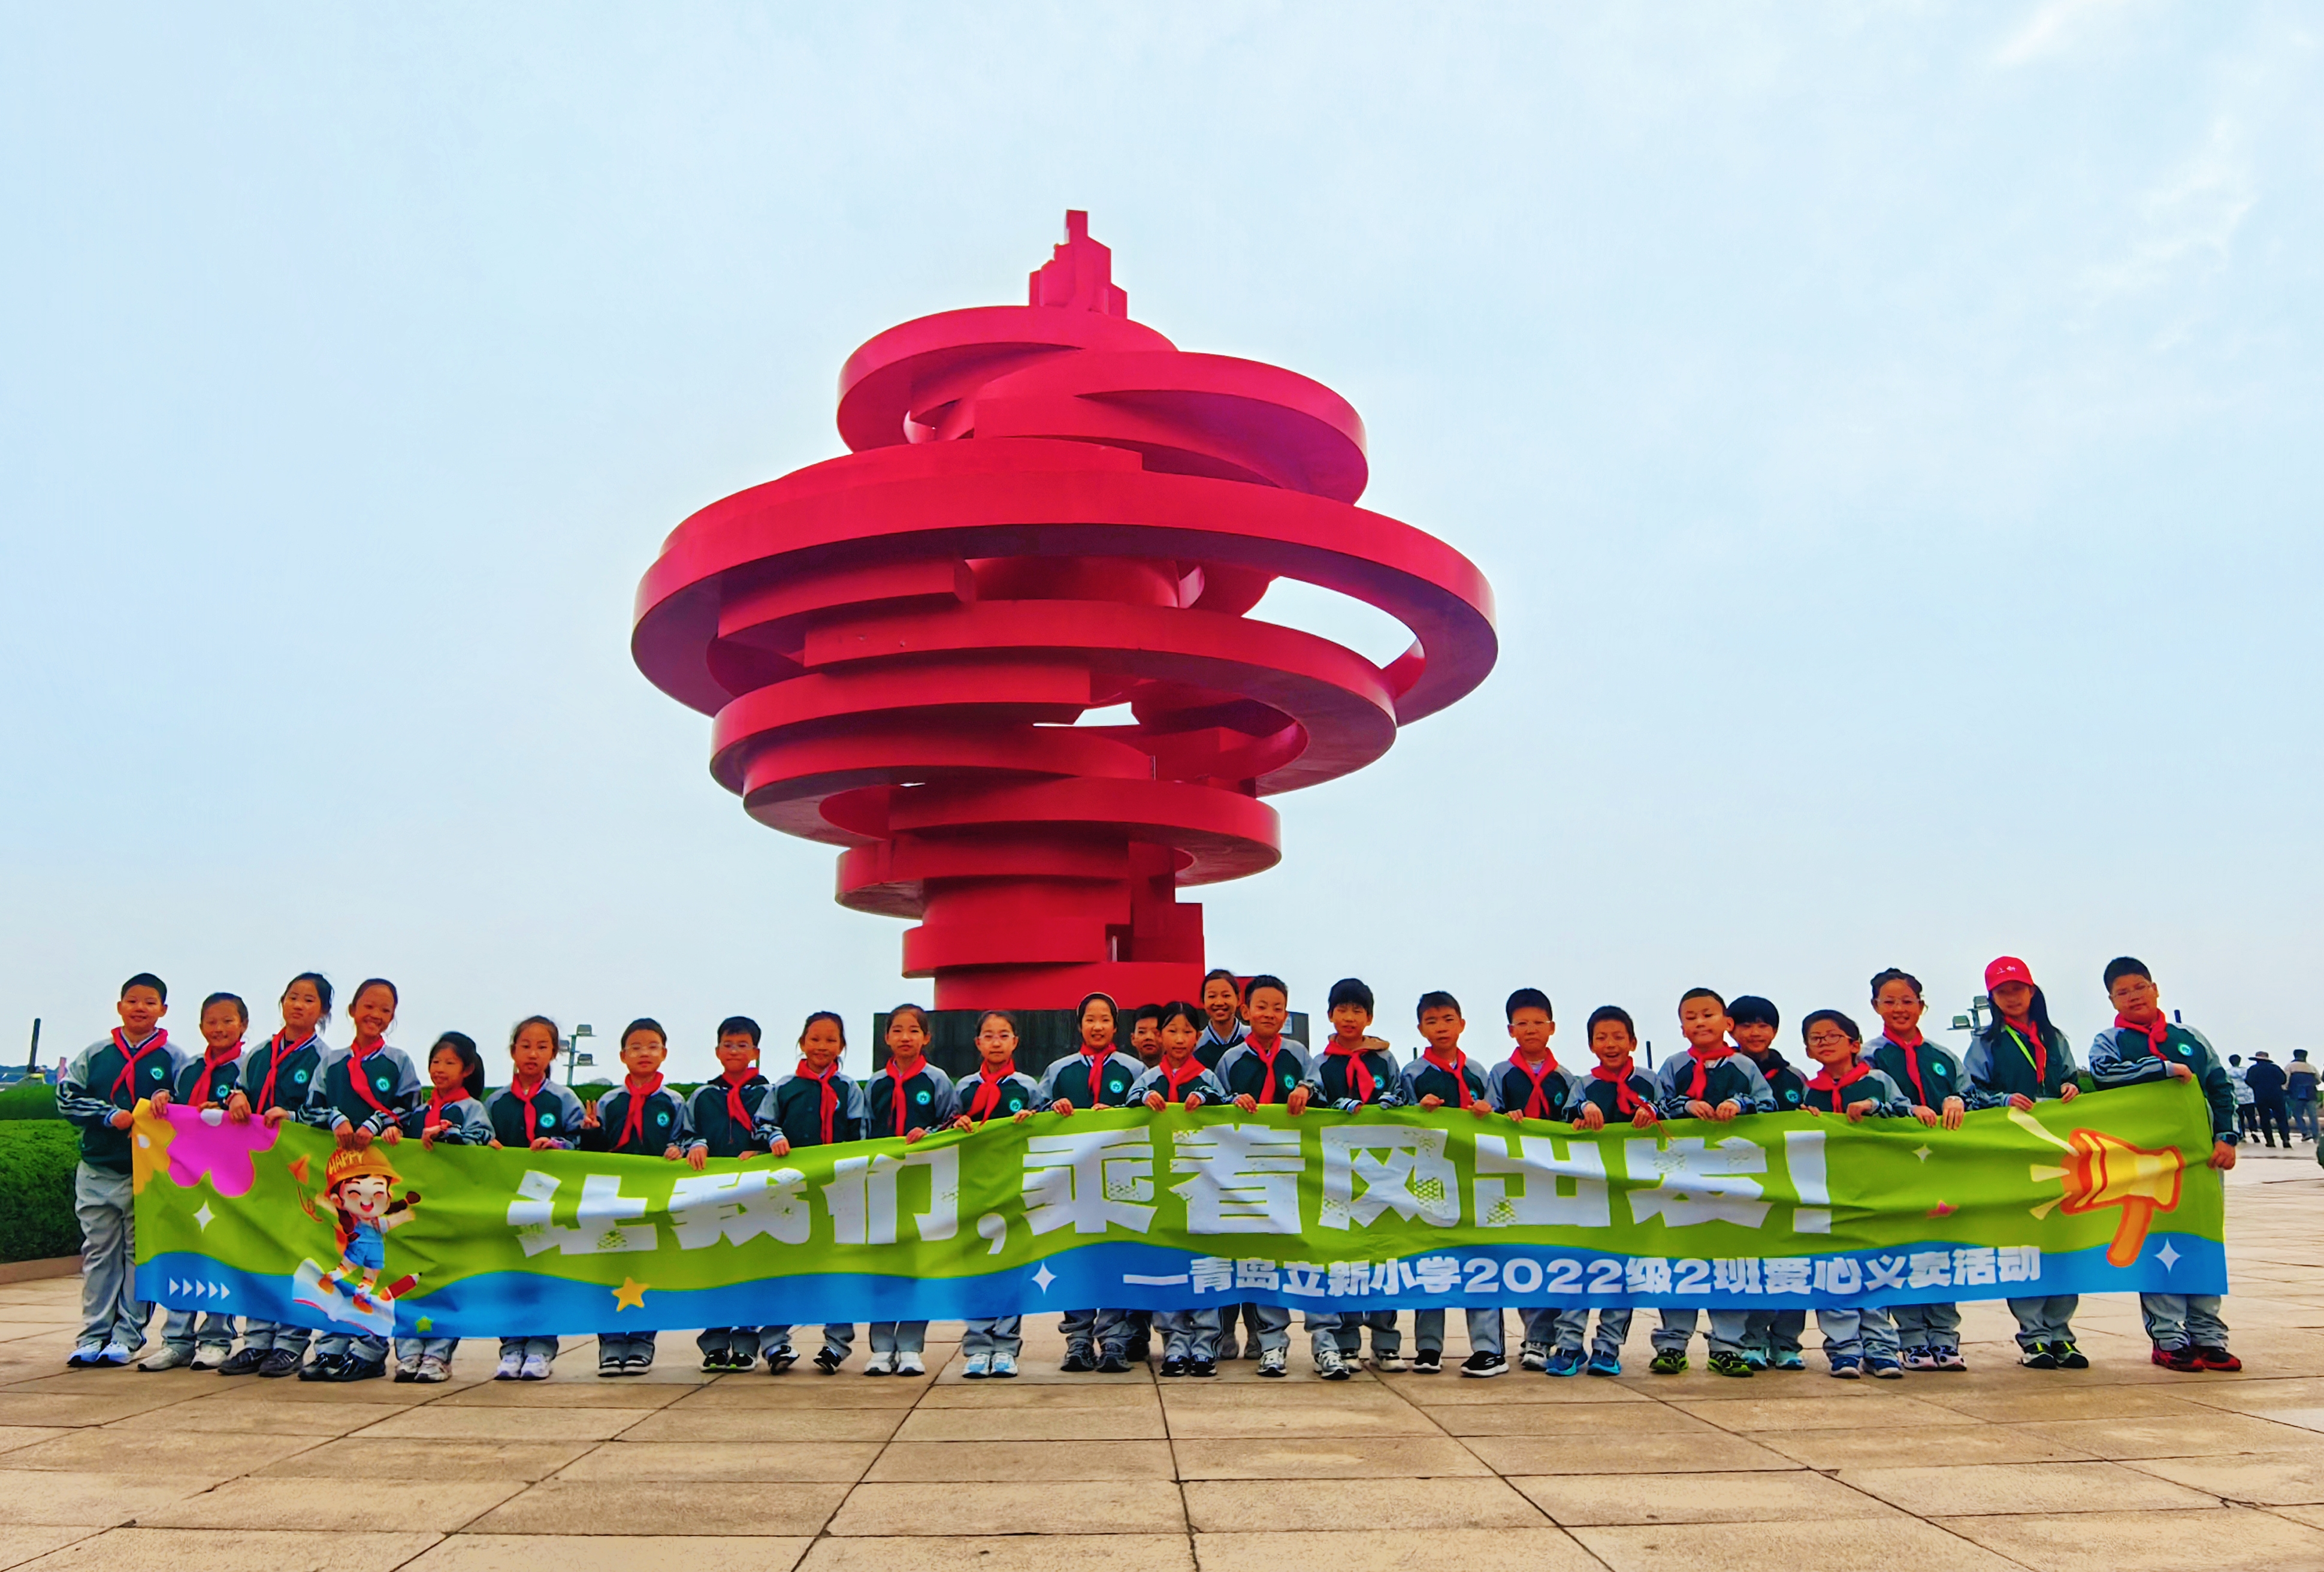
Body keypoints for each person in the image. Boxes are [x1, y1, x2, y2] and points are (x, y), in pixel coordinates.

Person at [2086, 957, 2241, 1372]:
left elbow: (2219, 1086)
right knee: (2158, 1245)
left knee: (2203, 1241)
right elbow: (2103, 1076)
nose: (2133, 996)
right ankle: (2169, 1337)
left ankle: (2209, 1335)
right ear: (2111, 1000)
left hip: (2199, 1160)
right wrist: (2162, 1068)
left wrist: (2226, 1137)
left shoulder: (2190, 1037)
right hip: (2146, 1164)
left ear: (2155, 988)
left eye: (2140, 987)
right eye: (2122, 992)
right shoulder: (2109, 1042)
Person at [1648, 988, 1774, 1377]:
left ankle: (1727, 1346)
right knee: (1679, 1261)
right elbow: (1656, 1105)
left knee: (1729, 1262)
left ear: (1727, 1023)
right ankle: (1672, 1343)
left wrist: (1740, 1104)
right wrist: (1686, 1106)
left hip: (1733, 1178)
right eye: (1691, 1017)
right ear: (1682, 1027)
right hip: (1683, 1178)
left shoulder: (1743, 1066)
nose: (1700, 1022)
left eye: (1708, 1014)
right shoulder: (1674, 1065)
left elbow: (1769, 1104)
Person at [1864, 968, 1984, 1373]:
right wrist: (1903, 1110)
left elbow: (1975, 1097)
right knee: (1904, 1254)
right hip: (1895, 1171)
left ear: (1922, 1006)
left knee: (1941, 1253)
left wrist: (1958, 1099)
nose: (1899, 1008)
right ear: (1875, 1006)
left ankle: (1945, 1338)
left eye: (1907, 1001)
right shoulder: (1868, 1058)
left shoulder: (1943, 1057)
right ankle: (1912, 1339)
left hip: (1943, 1172)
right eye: (1889, 1001)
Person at [59, 973, 180, 1369]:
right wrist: (109, 1115)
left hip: (146, 1174)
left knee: (137, 1255)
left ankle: (127, 1336)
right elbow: (66, 1097)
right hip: (97, 1169)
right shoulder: (96, 1054)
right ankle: (92, 1334)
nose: (140, 1008)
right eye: (132, 1000)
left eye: (150, 1002)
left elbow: (190, 1104)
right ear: (119, 1006)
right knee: (98, 1253)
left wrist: (166, 1100)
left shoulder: (175, 1059)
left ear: (163, 1010)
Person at [300, 978, 419, 1383]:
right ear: (352, 1010)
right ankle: (331, 1345)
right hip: (338, 1179)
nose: (376, 1015)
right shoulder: (331, 1062)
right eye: (369, 1006)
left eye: (386, 1010)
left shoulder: (398, 1062)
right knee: (336, 1259)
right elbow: (310, 1108)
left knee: (374, 1266)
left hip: (379, 1183)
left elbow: (410, 1107)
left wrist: (375, 1123)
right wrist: (336, 1119)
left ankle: (368, 1349)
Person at [217, 973, 333, 1376]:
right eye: (293, 997)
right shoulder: (258, 1054)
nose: (299, 1005)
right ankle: (257, 1340)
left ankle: (290, 1343)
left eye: (309, 1000)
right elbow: (235, 1089)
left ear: (324, 1011)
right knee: (258, 1254)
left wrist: (294, 1117)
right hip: (257, 1172)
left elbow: (326, 1112)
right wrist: (236, 1098)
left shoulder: (325, 1059)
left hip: (299, 1175)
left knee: (297, 1257)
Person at [1796, 1009, 1911, 1378]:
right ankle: (1843, 1349)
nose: (1825, 1043)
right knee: (1834, 1272)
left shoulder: (1878, 1081)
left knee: (1875, 1269)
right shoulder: (1808, 1090)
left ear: (1855, 1044)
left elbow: (1907, 1114)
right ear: (1808, 1050)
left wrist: (1874, 1107)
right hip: (1827, 1193)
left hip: (1873, 1191)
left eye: (1834, 1036)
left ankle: (1881, 1349)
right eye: (1816, 1039)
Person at [1398, 991, 1505, 1376]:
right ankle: (1428, 1347)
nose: (1441, 1028)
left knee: (1481, 1261)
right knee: (1432, 1261)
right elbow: (1396, 1119)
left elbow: (1500, 1116)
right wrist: (1417, 1110)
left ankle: (1488, 1349)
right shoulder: (1411, 1074)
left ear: (1462, 1024)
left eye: (1448, 1019)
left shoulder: (1479, 1072)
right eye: (1432, 1021)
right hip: (1431, 1179)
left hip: (1475, 1179)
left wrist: (1489, 1111)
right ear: (1420, 1029)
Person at [139, 991, 247, 1370]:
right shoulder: (188, 1068)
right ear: (201, 1026)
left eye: (228, 1021)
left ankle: (216, 1338)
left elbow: (255, 1113)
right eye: (211, 1022)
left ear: (243, 1026)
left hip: (226, 1179)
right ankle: (176, 1340)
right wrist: (162, 1098)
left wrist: (227, 1110)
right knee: (181, 1255)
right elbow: (176, 1105)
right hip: (184, 1177)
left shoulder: (247, 1068)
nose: (219, 1029)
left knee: (219, 1257)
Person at [1038, 992, 1146, 1374]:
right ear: (1079, 1025)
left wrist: (1118, 1114)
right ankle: (1079, 1341)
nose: (1097, 1027)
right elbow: (1035, 1114)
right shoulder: (1059, 1071)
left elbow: (1147, 1114)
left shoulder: (1134, 1069)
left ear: (1116, 1027)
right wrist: (1053, 1110)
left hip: (1119, 1183)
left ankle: (1115, 1340)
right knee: (1076, 1259)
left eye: (1105, 1020)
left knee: (1117, 1257)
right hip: (1072, 1184)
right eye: (1090, 1019)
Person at [1303, 976, 1405, 1377]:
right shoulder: (1321, 1062)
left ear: (1369, 1017)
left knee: (1382, 1257)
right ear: (1330, 1015)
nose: (1349, 1017)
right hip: (1337, 1175)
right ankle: (1346, 1342)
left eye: (1357, 1011)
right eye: (1342, 1010)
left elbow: (1401, 1094)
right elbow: (1313, 1097)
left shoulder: (1385, 1060)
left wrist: (1388, 1102)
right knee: (1342, 1260)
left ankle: (1386, 1343)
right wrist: (1335, 1104)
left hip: (1381, 1172)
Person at [579, 1018, 692, 1376]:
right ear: (623, 1056)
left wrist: (678, 1149)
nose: (645, 1053)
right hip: (613, 1202)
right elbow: (593, 1155)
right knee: (610, 1270)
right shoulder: (610, 1101)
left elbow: (686, 1139)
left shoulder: (674, 1101)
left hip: (655, 1201)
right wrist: (591, 1133)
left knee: (649, 1271)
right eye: (636, 1047)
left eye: (653, 1047)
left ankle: (642, 1343)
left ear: (665, 1053)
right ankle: (610, 1345)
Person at [1550, 1005, 1657, 1377]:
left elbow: (1674, 1112)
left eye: (1618, 1037)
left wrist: (1653, 1111)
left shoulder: (1651, 1081)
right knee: (1577, 1270)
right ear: (1591, 1045)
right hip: (1589, 1193)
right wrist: (1583, 1111)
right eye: (1601, 1038)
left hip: (1634, 1195)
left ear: (1633, 1042)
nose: (1610, 1044)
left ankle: (1608, 1347)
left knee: (1622, 1274)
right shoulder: (1583, 1084)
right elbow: (1566, 1116)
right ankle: (1568, 1344)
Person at [1213, 974, 1311, 1375]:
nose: (1269, 1014)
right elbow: (1214, 1105)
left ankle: (1268, 1337)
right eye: (1261, 1006)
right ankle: (1224, 1332)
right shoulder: (1230, 1060)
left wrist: (1306, 1089)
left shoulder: (1299, 1055)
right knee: (1231, 1252)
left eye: (1277, 1008)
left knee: (1270, 1257)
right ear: (1246, 1011)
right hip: (1238, 1172)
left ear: (1286, 1014)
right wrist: (1232, 1101)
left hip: (1284, 1170)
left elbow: (1318, 1090)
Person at [763, 1010, 868, 1374]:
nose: (822, 1046)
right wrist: (775, 1137)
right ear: (802, 1043)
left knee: (837, 1269)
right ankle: (774, 1343)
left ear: (842, 1046)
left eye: (831, 1040)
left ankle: (837, 1344)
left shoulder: (849, 1089)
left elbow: (860, 1138)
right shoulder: (784, 1087)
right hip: (788, 1195)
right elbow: (763, 1124)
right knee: (782, 1268)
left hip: (835, 1195)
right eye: (815, 1039)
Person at [483, 1014, 588, 1380]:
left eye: (542, 1047)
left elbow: (583, 1145)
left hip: (548, 1207)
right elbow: (479, 1144)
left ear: (554, 1053)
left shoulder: (564, 1100)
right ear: (513, 1051)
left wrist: (558, 1145)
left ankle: (542, 1349)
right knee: (509, 1278)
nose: (533, 1054)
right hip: (507, 1204)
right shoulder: (495, 1102)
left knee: (544, 1277)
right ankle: (511, 1347)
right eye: (525, 1046)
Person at [1129, 1002, 1229, 1375]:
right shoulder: (1147, 1080)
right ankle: (1174, 1343)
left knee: (1204, 1265)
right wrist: (1143, 1101)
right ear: (1160, 1036)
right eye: (1172, 1031)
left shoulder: (1208, 1079)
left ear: (1198, 1037)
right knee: (1167, 1265)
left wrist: (1207, 1100)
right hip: (1161, 1186)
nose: (1180, 1039)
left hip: (1202, 1187)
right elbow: (1127, 1110)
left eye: (1188, 1032)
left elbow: (1227, 1110)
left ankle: (1204, 1344)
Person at [861, 1003, 957, 1374]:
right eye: (898, 1030)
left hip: (923, 1185)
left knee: (919, 1266)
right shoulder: (875, 1084)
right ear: (886, 1037)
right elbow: (864, 1133)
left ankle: (912, 1346)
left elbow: (952, 1123)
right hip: (883, 1185)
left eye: (914, 1030)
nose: (906, 1037)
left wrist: (928, 1134)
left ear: (926, 1037)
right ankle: (882, 1347)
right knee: (883, 1266)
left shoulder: (938, 1080)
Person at [389, 1031, 490, 1382]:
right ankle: (408, 1352)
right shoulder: (417, 1112)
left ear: (467, 1070)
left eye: (450, 1063)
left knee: (446, 1283)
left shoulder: (472, 1109)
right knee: (408, 1280)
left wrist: (450, 1136)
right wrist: (392, 1133)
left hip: (450, 1211)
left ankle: (438, 1355)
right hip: (415, 1212)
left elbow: (483, 1142)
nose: (440, 1069)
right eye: (435, 1061)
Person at [1488, 988, 1579, 1371]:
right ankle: (1534, 1336)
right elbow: (1488, 1116)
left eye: (1538, 1022)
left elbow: (1574, 1120)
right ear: (1510, 1030)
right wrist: (1501, 1119)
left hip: (1555, 1180)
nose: (1530, 1030)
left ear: (1552, 1027)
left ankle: (1544, 1337)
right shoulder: (1500, 1074)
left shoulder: (1567, 1078)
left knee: (1553, 1255)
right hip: (1516, 1178)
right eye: (1522, 1023)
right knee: (1524, 1256)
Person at [951, 1009, 1042, 1378]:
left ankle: (1005, 1346)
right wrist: (956, 1124)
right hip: (975, 1190)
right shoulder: (964, 1088)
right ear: (978, 1043)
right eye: (988, 1036)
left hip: (1014, 1189)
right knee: (977, 1269)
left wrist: (1034, 1120)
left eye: (1004, 1035)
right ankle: (977, 1346)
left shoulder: (1028, 1087)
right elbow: (944, 1128)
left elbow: (1047, 1129)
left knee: (1011, 1268)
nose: (996, 1042)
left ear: (1015, 1042)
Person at [687, 1014, 779, 1372]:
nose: (735, 1051)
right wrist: (695, 1144)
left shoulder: (769, 1093)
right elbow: (684, 1133)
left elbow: (777, 1131)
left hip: (755, 1196)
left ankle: (745, 1343)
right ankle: (714, 1343)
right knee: (715, 1267)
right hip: (711, 1196)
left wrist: (762, 1150)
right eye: (728, 1045)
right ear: (717, 1051)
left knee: (750, 1268)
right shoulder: (703, 1096)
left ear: (756, 1052)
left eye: (743, 1045)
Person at [1727, 995, 1805, 1371]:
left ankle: (1787, 1343)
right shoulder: (1722, 1071)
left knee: (1792, 1263)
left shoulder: (1794, 1077)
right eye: (1746, 1025)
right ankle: (1751, 1340)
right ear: (1731, 1029)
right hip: (1742, 1185)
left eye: (1763, 1025)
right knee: (1750, 1266)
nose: (1755, 1032)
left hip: (1789, 1183)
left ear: (1775, 1031)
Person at [1195, 969, 1247, 1067]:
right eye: (1212, 996)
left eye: (1226, 996)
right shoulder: (1197, 1044)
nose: (1219, 1002)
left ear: (1239, 999)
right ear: (1203, 1002)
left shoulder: (1253, 1037)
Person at [2246, 1051, 2290, 1149]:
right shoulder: (2275, 1068)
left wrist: (2258, 1087)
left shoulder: (2253, 1069)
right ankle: (2285, 1139)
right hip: (2277, 1095)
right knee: (2281, 1118)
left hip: (2261, 1096)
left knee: (2264, 1118)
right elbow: (2283, 1080)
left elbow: (2249, 1081)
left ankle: (2270, 1141)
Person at [2290, 1050, 2319, 1142]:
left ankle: (2305, 1133)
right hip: (2311, 1094)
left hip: (2296, 1094)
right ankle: (2316, 1136)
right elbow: (2318, 1080)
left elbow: (2285, 1081)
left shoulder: (2290, 1067)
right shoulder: (2312, 1067)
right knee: (2313, 1116)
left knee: (2297, 1114)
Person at [2229, 1054, 2258, 1143]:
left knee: (2239, 1118)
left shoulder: (2227, 1073)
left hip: (2236, 1098)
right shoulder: (2246, 1071)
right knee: (2251, 1117)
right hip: (2248, 1097)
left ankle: (2242, 1134)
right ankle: (2254, 1132)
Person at [1129, 1003, 1165, 1067]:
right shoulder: (1125, 1071)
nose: (1149, 1037)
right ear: (1133, 1038)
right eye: (1142, 1032)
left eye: (1156, 1032)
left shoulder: (1179, 1072)